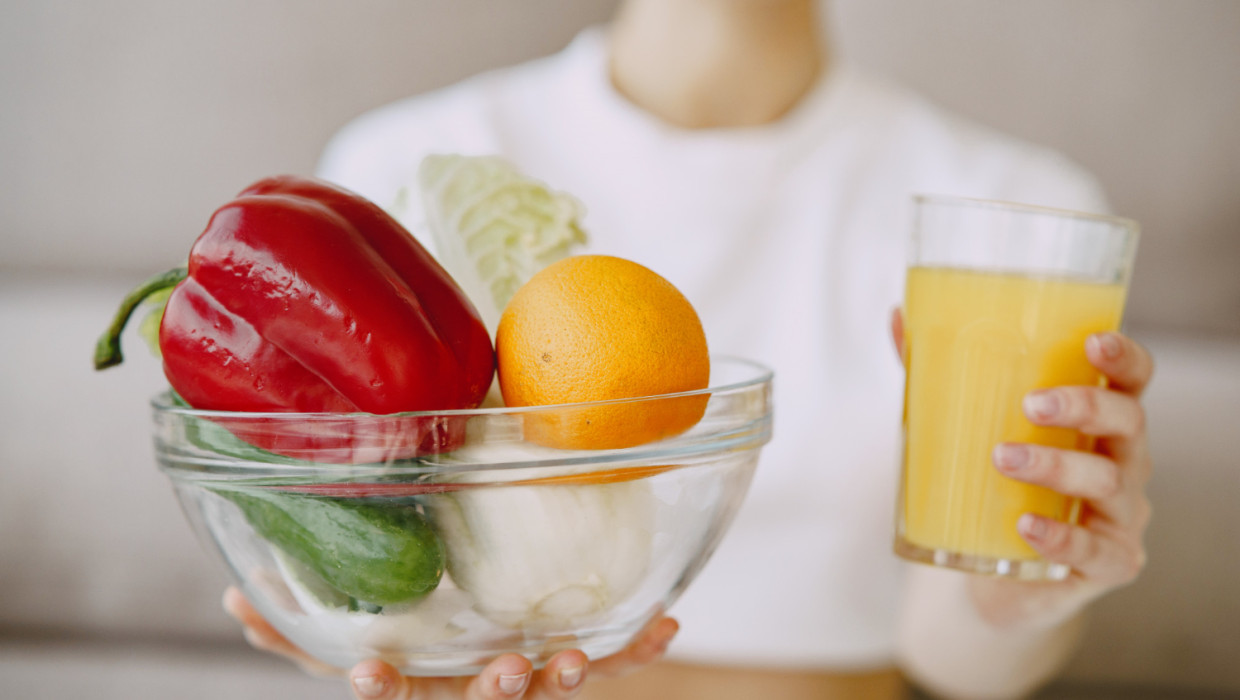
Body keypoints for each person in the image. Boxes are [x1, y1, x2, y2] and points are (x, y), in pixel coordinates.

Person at [226, 1, 1156, 698]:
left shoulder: (1009, 213)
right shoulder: (411, 166)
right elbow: (373, 561)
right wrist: (379, 637)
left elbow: (954, 660)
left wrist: (1019, 594)